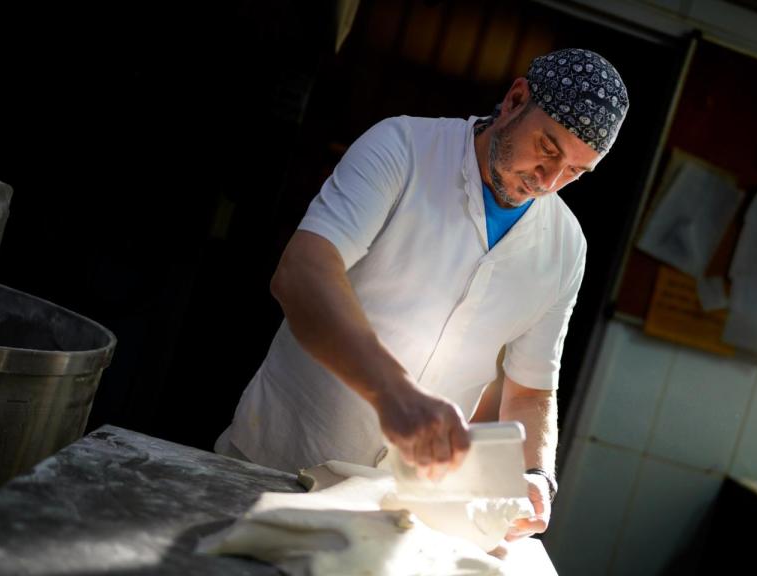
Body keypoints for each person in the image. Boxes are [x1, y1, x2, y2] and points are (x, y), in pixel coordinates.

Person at [215, 47, 628, 541]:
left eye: (576, 172)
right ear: (516, 99)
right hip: (275, 462)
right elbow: (303, 272)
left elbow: (532, 388)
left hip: (394, 512)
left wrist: (537, 474)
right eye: (548, 148)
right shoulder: (403, 146)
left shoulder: (566, 247)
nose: (550, 181)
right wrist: (395, 394)